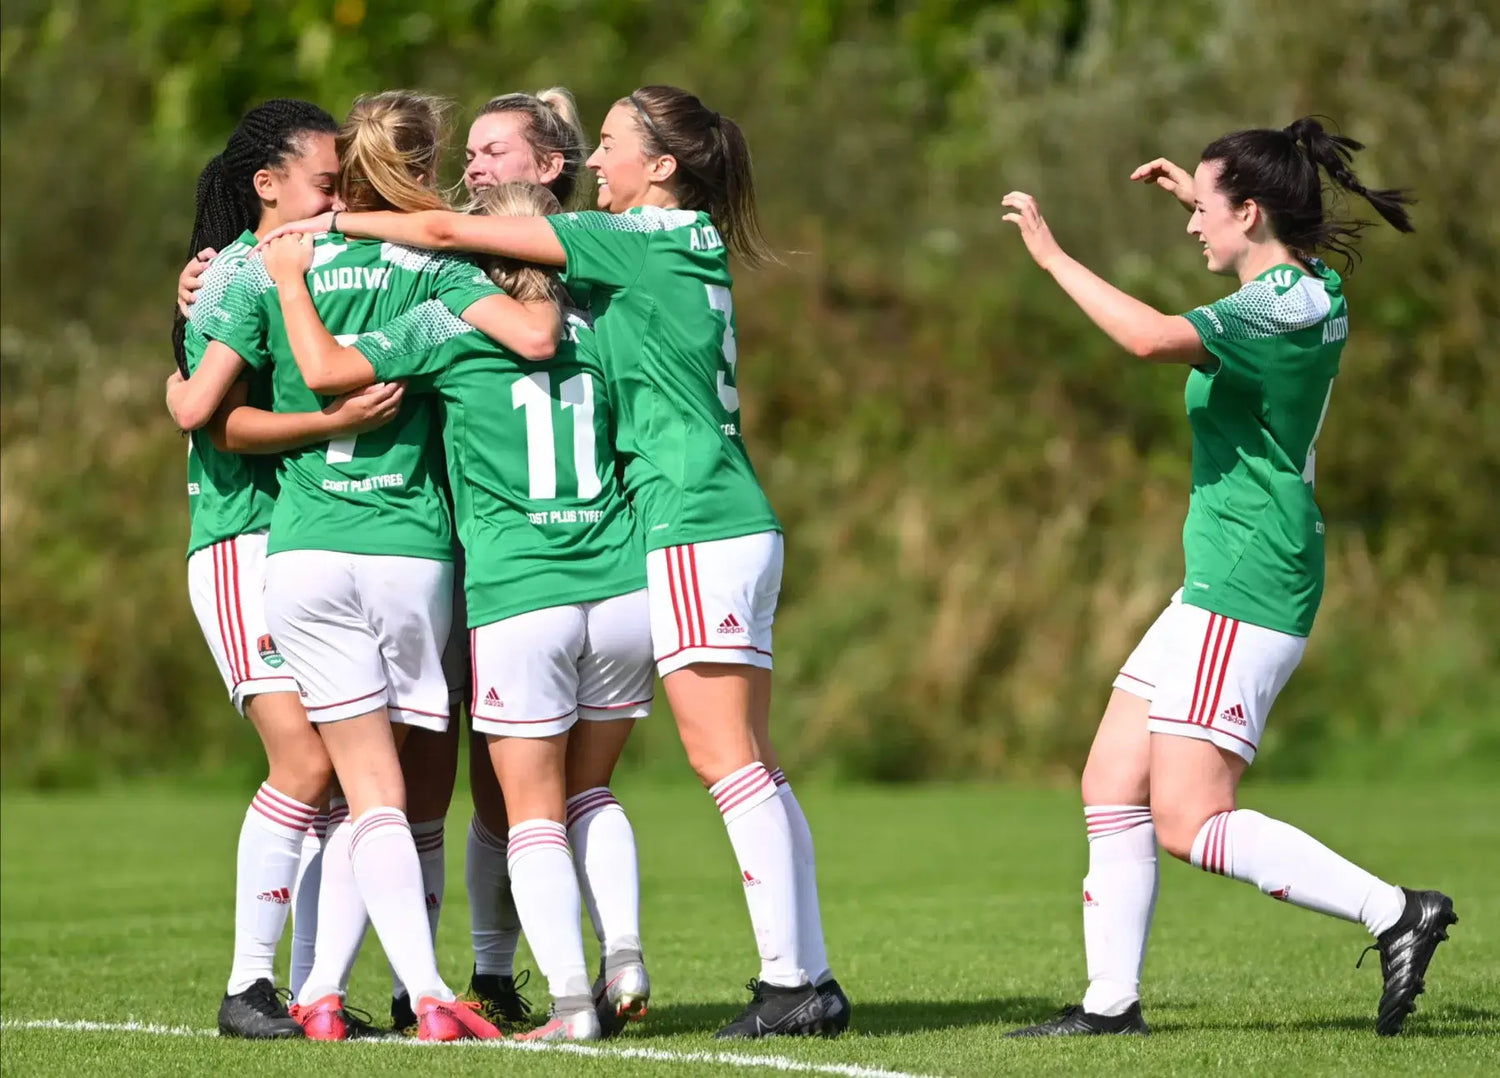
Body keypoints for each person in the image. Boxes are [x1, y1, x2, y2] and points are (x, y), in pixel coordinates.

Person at [263, 84, 847, 1039]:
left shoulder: (592, 262)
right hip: (648, 551)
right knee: (724, 769)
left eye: (611, 146)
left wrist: (324, 230)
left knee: (710, 765)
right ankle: (793, 974)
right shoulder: (646, 260)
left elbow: (452, 249)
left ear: (660, 167)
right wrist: (541, 150)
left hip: (674, 525)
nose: (597, 163)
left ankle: (761, 984)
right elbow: (537, 255)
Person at [998, 118, 1455, 1038]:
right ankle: (1108, 1006)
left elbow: (1148, 338)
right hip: (1225, 576)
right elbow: (1266, 268)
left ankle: (1395, 911)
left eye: (1206, 212)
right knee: (1110, 782)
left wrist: (1052, 257)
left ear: (1250, 211)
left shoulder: (1271, 307)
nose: (1191, 227)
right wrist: (1205, 200)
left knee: (1190, 819)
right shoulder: (1310, 287)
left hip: (1246, 581)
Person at [195, 89, 555, 1043]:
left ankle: (325, 994)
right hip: (406, 552)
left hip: (306, 544)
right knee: (374, 789)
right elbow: (532, 336)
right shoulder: (435, 272)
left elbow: (214, 396)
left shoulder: (271, 263)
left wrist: (264, 288)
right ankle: (414, 990)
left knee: (364, 792)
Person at [264, 178, 654, 1042]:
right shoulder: (611, 318)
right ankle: (623, 949)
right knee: (594, 789)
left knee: (533, 812)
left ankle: (571, 1007)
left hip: (522, 593)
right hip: (626, 584)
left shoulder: (447, 322)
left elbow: (326, 372)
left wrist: (292, 276)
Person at [166, 97, 405, 1041]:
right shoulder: (236, 273)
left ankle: (311, 996)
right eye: (325, 181)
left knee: (348, 780)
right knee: (305, 762)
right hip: (241, 539)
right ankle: (247, 986)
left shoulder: (306, 265)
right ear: (269, 186)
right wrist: (334, 425)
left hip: (306, 542)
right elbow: (206, 418)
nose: (339, 197)